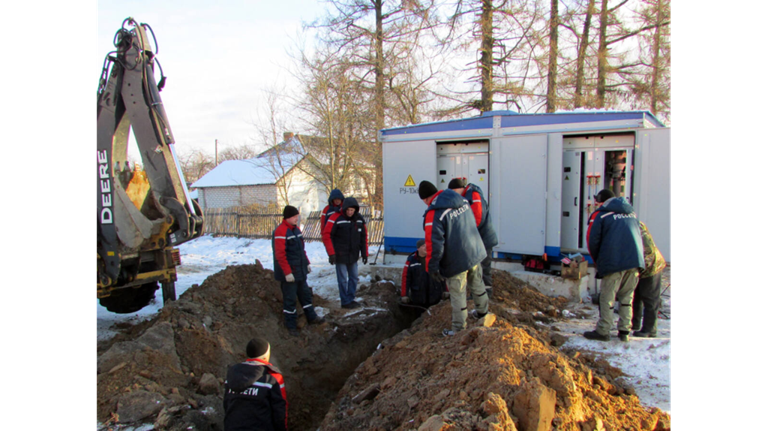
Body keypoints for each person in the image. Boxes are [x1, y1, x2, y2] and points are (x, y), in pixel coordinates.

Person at [418, 180, 489, 337]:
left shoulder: (434, 213)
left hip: (456, 260)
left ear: (424, 199)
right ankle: (483, 314)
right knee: (477, 284)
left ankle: (458, 329)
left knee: (457, 293)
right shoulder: (461, 200)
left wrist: (432, 266)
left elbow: (433, 244)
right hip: (474, 251)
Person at [584, 189, 645, 342]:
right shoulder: (631, 214)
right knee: (627, 297)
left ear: (602, 201)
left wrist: (599, 262)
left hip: (614, 262)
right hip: (635, 261)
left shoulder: (601, 215)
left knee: (607, 297)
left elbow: (592, 240)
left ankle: (603, 330)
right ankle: (624, 330)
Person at [272, 206, 325, 336]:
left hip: (299, 270)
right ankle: (291, 326)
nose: (297, 218)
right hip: (290, 273)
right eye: (295, 216)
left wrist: (306, 263)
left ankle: (311, 317)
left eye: (297, 216)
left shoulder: (295, 230)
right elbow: (280, 255)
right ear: (288, 217)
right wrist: (287, 273)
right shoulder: (281, 231)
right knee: (290, 299)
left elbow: (301, 250)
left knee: (305, 295)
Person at [448, 177, 499, 297]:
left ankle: (485, 294)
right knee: (477, 268)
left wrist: (464, 232)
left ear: (459, 189)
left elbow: (477, 218)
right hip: (478, 239)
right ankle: (479, 294)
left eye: (454, 192)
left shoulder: (473, 195)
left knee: (483, 268)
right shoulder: (469, 195)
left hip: (483, 239)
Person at [224, 338, 288, 431]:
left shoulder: (232, 374)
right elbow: (280, 411)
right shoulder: (272, 377)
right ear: (266, 356)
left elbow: (226, 404)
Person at [323, 197, 369, 309]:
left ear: (355, 210)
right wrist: (331, 253)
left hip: (353, 254)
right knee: (342, 279)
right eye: (348, 210)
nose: (349, 212)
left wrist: (364, 253)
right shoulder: (335, 218)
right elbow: (326, 235)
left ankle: (351, 298)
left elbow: (364, 237)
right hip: (340, 254)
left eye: (352, 210)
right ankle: (345, 301)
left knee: (353, 277)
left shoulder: (359, 220)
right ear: (344, 209)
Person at [632, 221, 667, 338]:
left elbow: (648, 252)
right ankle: (634, 324)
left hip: (651, 265)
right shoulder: (631, 224)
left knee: (649, 297)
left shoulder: (636, 226)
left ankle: (650, 329)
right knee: (635, 296)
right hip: (640, 265)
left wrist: (641, 269)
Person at [401, 239, 449, 310]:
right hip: (418, 298)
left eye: (427, 246)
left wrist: (446, 290)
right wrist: (404, 295)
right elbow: (406, 277)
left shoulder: (435, 259)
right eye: (423, 246)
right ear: (418, 248)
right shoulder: (411, 260)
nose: (426, 247)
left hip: (435, 296)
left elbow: (442, 275)